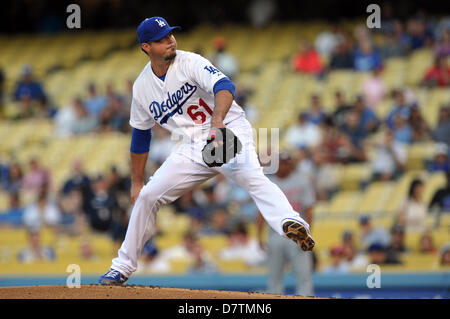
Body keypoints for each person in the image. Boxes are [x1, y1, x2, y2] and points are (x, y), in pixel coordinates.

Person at [99, 17, 315, 285]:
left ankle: (291, 223)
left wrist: (217, 122)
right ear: (146, 47)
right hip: (190, 146)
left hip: (226, 129)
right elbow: (140, 136)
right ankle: (122, 267)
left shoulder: (190, 62)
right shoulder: (142, 87)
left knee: (250, 176)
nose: (170, 41)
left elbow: (225, 87)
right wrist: (136, 181)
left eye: (170, 35)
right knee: (147, 196)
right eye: (162, 39)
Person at [256, 151, 315, 296]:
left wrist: (307, 234)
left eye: (286, 162)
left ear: (291, 164)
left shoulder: (301, 182)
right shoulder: (267, 183)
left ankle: (305, 297)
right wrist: (259, 236)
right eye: (281, 163)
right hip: (275, 234)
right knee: (274, 275)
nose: (284, 166)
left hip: (297, 235)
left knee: (303, 275)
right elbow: (261, 211)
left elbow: (309, 209)